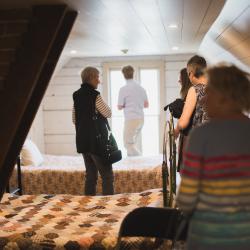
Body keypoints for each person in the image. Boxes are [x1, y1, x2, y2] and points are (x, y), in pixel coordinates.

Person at [176, 64, 250, 250]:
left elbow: (186, 199)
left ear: (225, 97)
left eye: (209, 94)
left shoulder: (201, 136)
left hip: (207, 237)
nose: (203, 101)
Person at [72, 67, 114, 195]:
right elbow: (108, 113)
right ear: (90, 78)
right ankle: (109, 204)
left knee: (91, 176)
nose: (99, 81)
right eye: (97, 77)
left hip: (83, 142)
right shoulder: (95, 95)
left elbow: (74, 119)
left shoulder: (76, 95)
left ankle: (88, 205)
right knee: (107, 176)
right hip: (97, 142)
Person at [174, 55, 209, 139]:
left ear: (192, 73)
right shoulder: (218, 88)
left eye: (188, 73)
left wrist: (176, 129)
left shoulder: (194, 90)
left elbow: (183, 123)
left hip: (201, 141)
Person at [118, 65, 149, 156]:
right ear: (133, 74)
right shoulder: (141, 88)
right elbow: (146, 105)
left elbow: (119, 107)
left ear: (123, 75)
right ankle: (133, 166)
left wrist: (126, 104)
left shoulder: (123, 89)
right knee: (133, 144)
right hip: (141, 119)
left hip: (131, 119)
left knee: (127, 144)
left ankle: (141, 161)